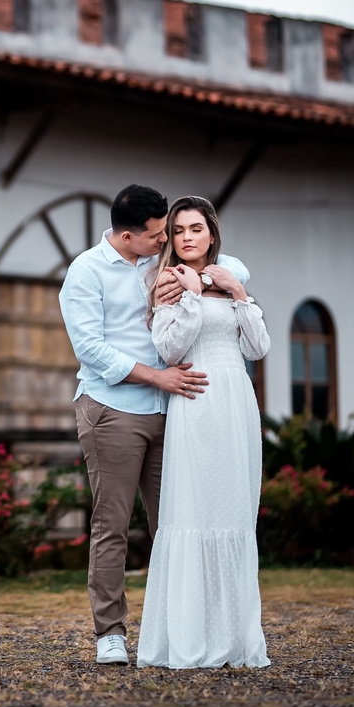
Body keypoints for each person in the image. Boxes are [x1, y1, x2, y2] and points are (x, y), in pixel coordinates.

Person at [58, 185, 249, 665]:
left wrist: (202, 284)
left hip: (174, 413)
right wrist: (157, 376)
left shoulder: (163, 261)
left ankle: (189, 628)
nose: (168, 240)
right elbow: (90, 350)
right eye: (158, 234)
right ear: (127, 236)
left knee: (181, 521)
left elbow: (235, 268)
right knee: (113, 525)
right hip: (114, 408)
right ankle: (110, 632)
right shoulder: (85, 272)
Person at [136, 195, 271, 669]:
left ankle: (235, 637)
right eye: (178, 230)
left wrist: (237, 292)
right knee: (194, 511)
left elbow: (257, 348)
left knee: (234, 515)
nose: (187, 237)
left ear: (212, 234)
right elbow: (170, 350)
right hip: (196, 401)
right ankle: (190, 637)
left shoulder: (230, 279)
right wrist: (191, 294)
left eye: (195, 229)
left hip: (236, 401)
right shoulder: (166, 283)